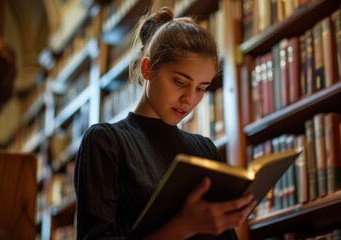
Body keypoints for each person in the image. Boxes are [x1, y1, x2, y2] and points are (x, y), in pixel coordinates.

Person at [74, 6, 257, 240]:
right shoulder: (106, 142)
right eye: (180, 82)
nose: (190, 99)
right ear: (147, 69)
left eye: (201, 88)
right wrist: (183, 226)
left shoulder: (205, 150)